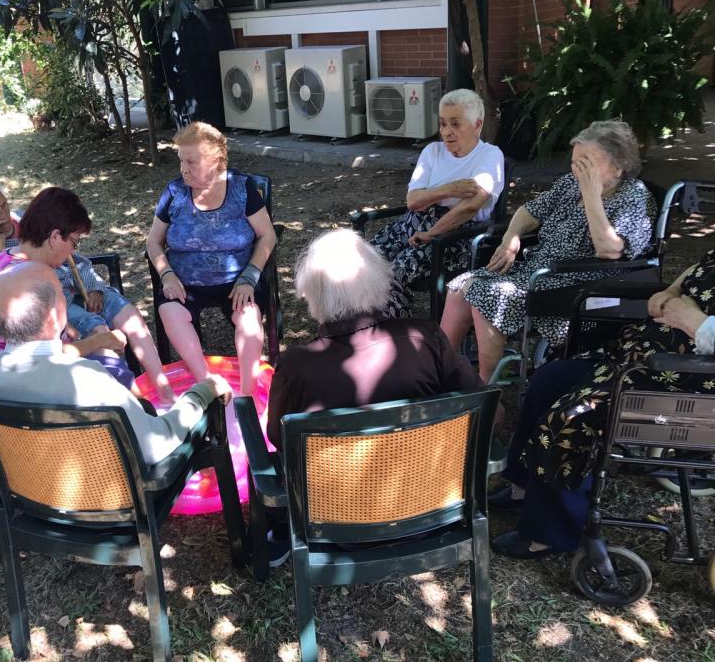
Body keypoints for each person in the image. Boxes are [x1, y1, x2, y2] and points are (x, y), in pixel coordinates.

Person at [491, 249, 715, 558]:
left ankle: (550, 533)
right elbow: (691, 275)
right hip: (632, 360)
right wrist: (670, 294)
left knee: (570, 418)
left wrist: (694, 322)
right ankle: (524, 485)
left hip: (675, 384)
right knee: (549, 381)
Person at [440, 120, 655, 381]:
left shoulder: (633, 196)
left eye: (586, 163)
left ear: (618, 166)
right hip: (537, 271)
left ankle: (486, 388)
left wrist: (591, 195)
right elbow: (529, 211)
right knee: (460, 288)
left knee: (486, 294)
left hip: (575, 284)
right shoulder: (571, 183)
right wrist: (511, 237)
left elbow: (609, 250)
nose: (578, 170)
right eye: (575, 162)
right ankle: (439, 372)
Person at [0, 261, 234, 465]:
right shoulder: (86, 379)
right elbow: (155, 446)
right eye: (62, 296)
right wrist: (202, 392)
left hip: (32, 491)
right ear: (54, 318)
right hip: (103, 498)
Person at [267, 228, 483, 450]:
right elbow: (483, 408)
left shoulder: (294, 367)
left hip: (335, 473)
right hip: (431, 470)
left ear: (312, 296)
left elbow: (279, 438)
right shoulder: (426, 340)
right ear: (380, 282)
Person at [0, 186, 174, 402]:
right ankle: (146, 412)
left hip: (0, 378)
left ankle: (147, 406)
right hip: (29, 388)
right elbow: (42, 359)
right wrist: (98, 341)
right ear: (55, 237)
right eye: (74, 242)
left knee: (111, 362)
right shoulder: (35, 281)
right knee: (113, 368)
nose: (73, 252)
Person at [146, 121, 277, 397]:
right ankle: (208, 385)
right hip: (185, 283)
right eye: (181, 160)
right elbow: (153, 242)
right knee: (170, 312)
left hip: (237, 280)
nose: (183, 169)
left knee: (249, 318)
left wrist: (249, 277)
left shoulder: (241, 188)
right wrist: (167, 275)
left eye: (191, 162)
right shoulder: (174, 193)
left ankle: (247, 396)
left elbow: (268, 235)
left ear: (215, 160)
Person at [369, 88, 504, 317]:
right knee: (366, 261)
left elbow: (471, 206)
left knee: (396, 271)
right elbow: (413, 201)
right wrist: (450, 189)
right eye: (442, 124)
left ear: (477, 125)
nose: (446, 132)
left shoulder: (489, 156)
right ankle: (364, 322)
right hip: (410, 225)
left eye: (455, 124)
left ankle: (395, 328)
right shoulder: (432, 151)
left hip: (454, 236)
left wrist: (432, 233)